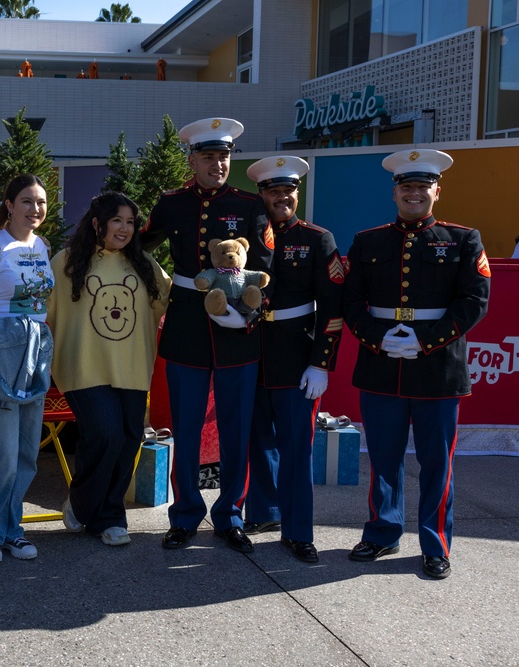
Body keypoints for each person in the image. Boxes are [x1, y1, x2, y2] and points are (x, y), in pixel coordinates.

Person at [343, 148, 490, 580]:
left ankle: (435, 544)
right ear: (395, 192)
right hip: (381, 362)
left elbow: (474, 302)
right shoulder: (368, 241)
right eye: (406, 186)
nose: (414, 193)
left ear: (436, 191)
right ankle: (383, 532)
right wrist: (376, 336)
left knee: (436, 463)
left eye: (422, 186)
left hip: (438, 369)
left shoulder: (464, 240)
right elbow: (350, 300)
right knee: (383, 458)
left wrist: (425, 341)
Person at [140, 117, 273, 552]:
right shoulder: (172, 202)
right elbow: (139, 248)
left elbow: (268, 268)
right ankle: (184, 516)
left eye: (224, 156)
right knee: (187, 427)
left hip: (237, 330)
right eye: (209, 156)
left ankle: (230, 514)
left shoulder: (251, 206)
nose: (218, 164)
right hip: (185, 326)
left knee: (236, 428)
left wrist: (250, 317)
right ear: (192, 159)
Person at [46, 192, 171, 546]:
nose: (125, 229)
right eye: (118, 220)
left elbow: (171, 303)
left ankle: (105, 513)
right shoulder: (65, 262)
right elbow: (40, 308)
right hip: (82, 366)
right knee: (105, 434)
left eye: (131, 222)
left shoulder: (144, 265)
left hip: (132, 368)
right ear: (97, 223)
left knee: (129, 440)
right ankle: (92, 508)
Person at [242, 156, 345, 564]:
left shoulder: (318, 239)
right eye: (272, 191)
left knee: (296, 448)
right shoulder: (246, 239)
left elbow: (334, 307)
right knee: (257, 440)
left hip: (294, 355)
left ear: (296, 193)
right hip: (249, 351)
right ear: (261, 194)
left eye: (288, 190)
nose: (281, 197)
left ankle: (298, 530)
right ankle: (264, 512)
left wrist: (321, 363)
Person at [0, 174, 55, 563]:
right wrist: (15, 334)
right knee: (2, 452)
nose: (35, 209)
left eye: (41, 202)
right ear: (9, 205)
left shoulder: (43, 246)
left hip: (35, 355)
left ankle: (13, 530)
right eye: (27, 201)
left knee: (27, 452)